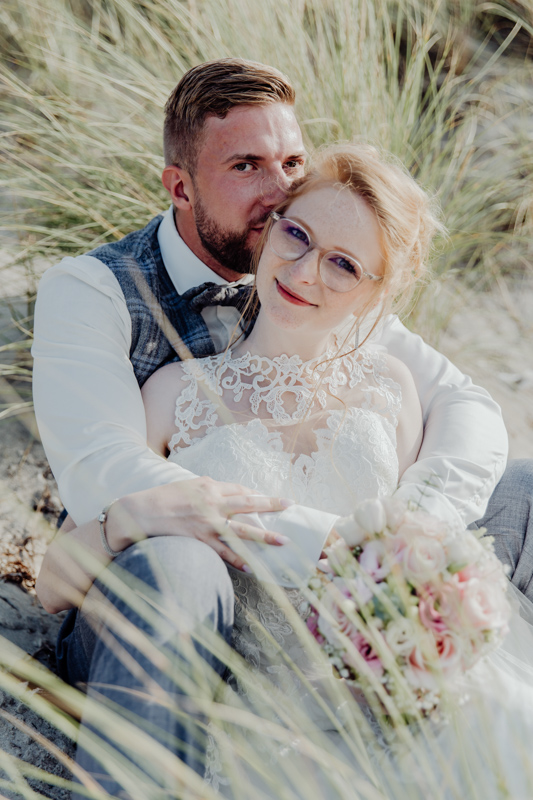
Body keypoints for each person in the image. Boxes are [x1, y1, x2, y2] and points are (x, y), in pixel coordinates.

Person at [37, 144, 533, 799]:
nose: (305, 271)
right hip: (229, 693)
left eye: (343, 264)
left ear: (373, 293)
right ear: (271, 227)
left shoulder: (390, 389)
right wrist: (130, 518)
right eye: (297, 234)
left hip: (365, 701)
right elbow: (52, 586)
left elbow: (411, 536)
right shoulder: (173, 392)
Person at [34, 57, 533, 583]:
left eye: (292, 162)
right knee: (182, 565)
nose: (279, 193)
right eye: (245, 166)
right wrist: (336, 545)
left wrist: (414, 528)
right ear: (181, 189)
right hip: (156, 579)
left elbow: (462, 402)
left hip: (358, 587)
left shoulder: (309, 271)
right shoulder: (93, 291)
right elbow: (105, 471)